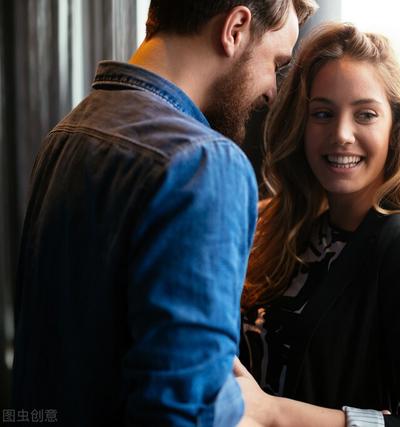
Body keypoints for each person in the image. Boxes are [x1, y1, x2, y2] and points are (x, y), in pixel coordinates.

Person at [12, 1, 316, 426]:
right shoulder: (205, 163)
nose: (272, 90)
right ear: (235, 28)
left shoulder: (68, 133)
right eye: (275, 63)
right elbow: (183, 413)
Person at [235, 23, 400, 427]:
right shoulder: (280, 227)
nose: (341, 134)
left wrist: (275, 413)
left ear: (394, 129)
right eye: (322, 113)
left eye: (365, 115)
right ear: (300, 126)